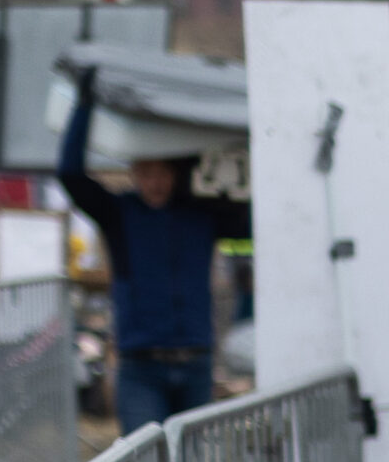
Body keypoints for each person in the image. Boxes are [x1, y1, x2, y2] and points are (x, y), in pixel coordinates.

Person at [57, 68, 252, 432]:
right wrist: (84, 105)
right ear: (133, 171)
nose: (155, 182)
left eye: (163, 172)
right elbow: (71, 175)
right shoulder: (118, 214)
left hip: (195, 363)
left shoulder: (202, 214)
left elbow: (247, 211)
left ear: (177, 174)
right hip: (140, 366)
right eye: (146, 172)